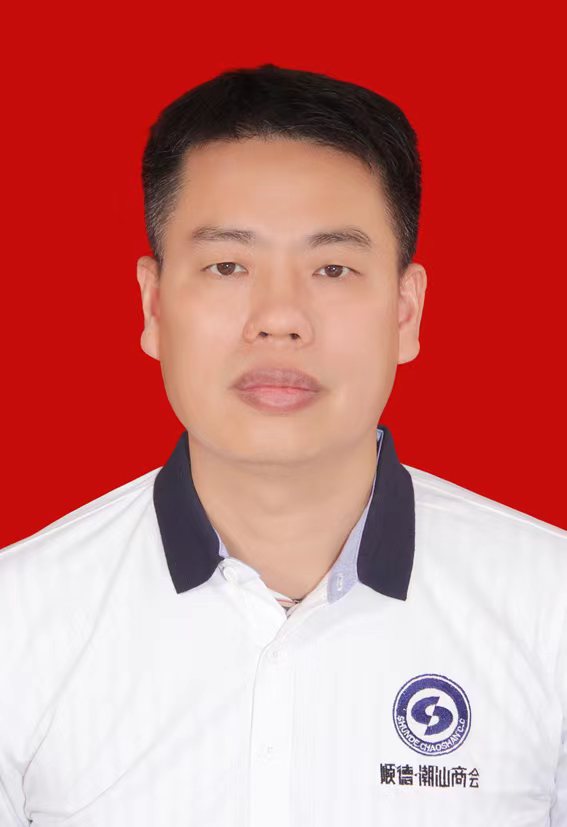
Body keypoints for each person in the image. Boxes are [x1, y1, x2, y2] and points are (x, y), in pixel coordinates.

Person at [0, 63, 565, 826]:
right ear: (153, 304)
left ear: (404, 312)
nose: (278, 318)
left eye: (332, 268)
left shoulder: (548, 607)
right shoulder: (19, 622)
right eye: (227, 266)